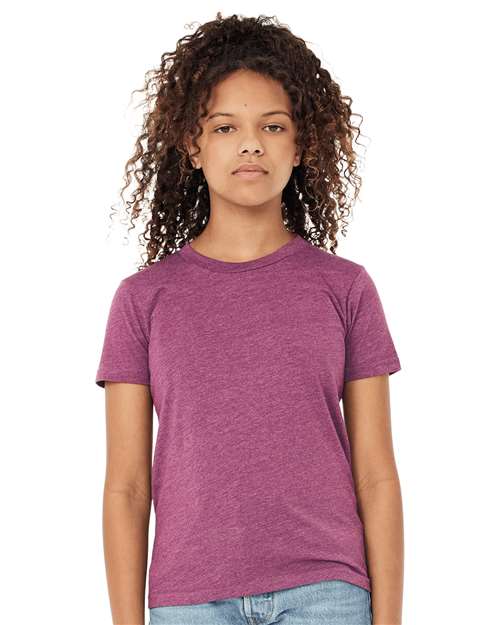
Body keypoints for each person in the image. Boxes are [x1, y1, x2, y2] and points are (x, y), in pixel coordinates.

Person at [95, 12, 404, 625]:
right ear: (192, 145)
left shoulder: (345, 288)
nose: (251, 144)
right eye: (225, 127)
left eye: (273, 125)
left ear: (301, 145)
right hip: (189, 599)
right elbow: (126, 487)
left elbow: (377, 476)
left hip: (327, 593)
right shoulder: (143, 299)